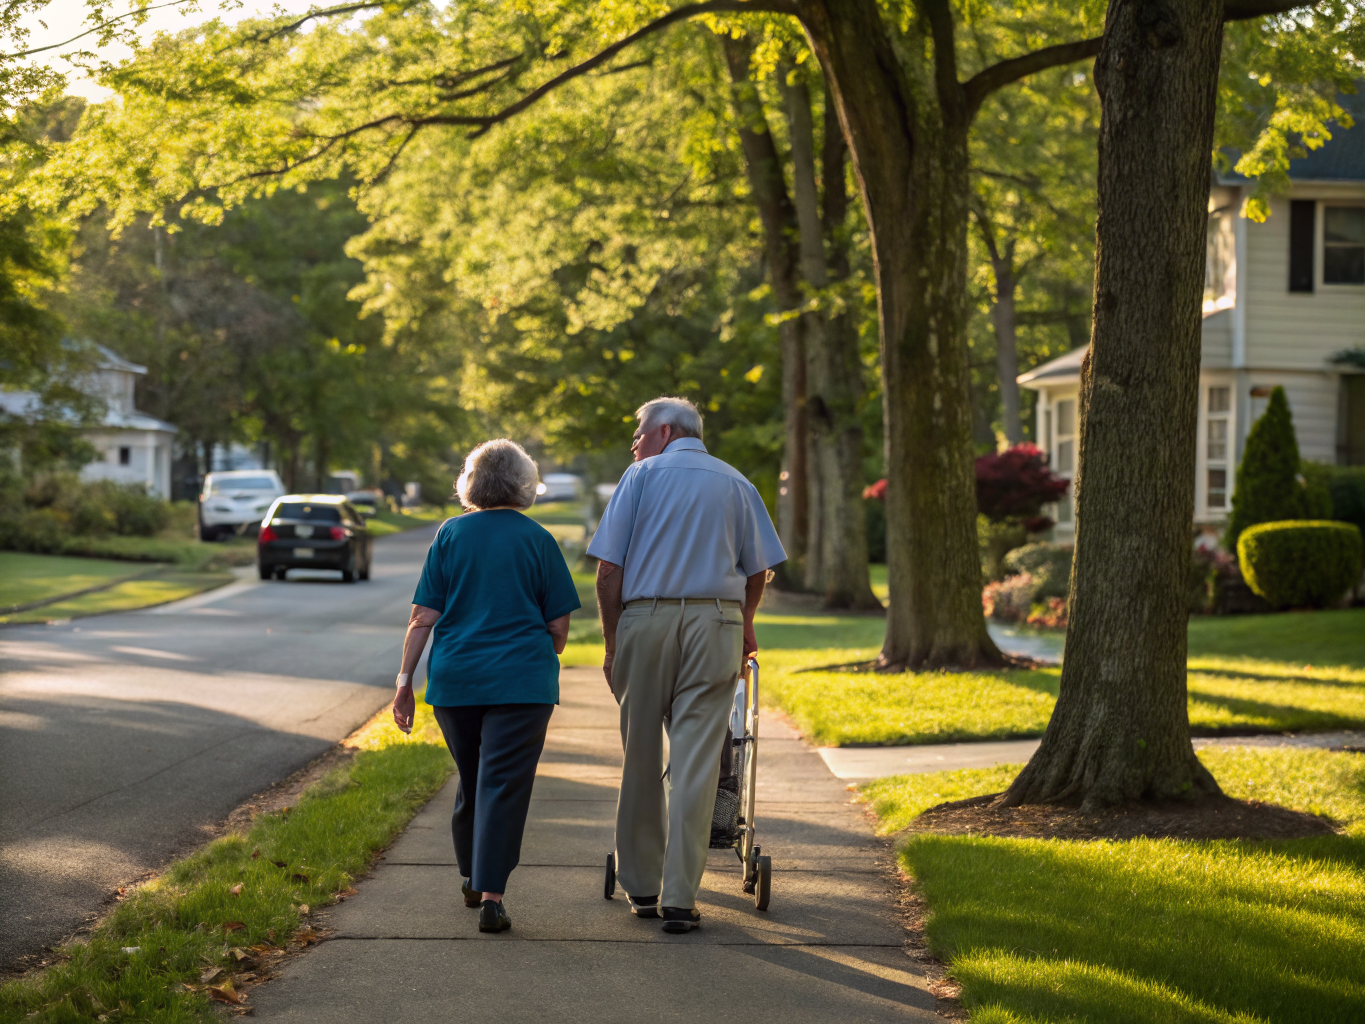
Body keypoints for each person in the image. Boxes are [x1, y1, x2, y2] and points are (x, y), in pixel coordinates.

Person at [587, 396, 785, 933]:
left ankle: (643, 888)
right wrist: (744, 625)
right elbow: (757, 571)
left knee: (641, 756)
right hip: (715, 622)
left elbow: (608, 570)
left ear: (666, 431)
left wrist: (612, 646)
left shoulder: (641, 477)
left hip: (645, 620)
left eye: (638, 433)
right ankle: (680, 897)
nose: (634, 444)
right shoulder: (736, 482)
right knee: (698, 761)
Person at [391, 439, 581, 934]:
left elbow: (422, 617)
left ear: (470, 484)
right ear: (523, 483)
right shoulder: (539, 539)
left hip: (458, 682)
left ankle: (473, 875)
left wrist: (404, 680)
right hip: (522, 683)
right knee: (504, 783)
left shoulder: (450, 534)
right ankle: (492, 895)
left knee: (474, 776)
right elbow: (559, 630)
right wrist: (542, 645)